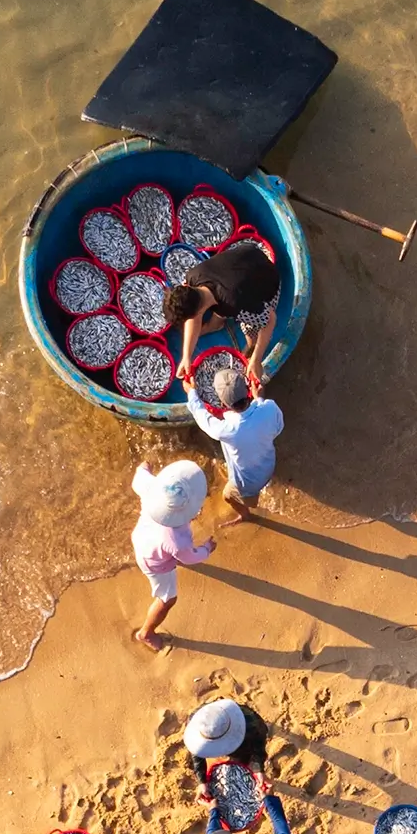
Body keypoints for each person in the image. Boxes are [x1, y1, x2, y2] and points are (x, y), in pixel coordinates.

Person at [164, 238, 280, 392]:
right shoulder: (193, 276)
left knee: (250, 327)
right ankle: (216, 324)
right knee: (221, 305)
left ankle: (251, 347)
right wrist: (186, 357)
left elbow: (270, 319)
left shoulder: (234, 303)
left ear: (197, 313)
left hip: (268, 280)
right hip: (248, 254)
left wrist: (257, 359)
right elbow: (195, 316)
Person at [184, 360, 283, 525]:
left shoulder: (227, 430)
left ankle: (246, 514)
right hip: (269, 465)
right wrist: (259, 399)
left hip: (249, 482)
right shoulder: (269, 408)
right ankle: (254, 499)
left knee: (228, 496)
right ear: (247, 391)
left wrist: (191, 393)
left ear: (223, 404)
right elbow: (278, 427)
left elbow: (203, 417)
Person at [131, 459, 213, 653]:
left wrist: (145, 466)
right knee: (167, 599)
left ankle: (147, 631)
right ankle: (146, 633)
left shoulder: (152, 488)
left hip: (142, 538)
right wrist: (206, 549)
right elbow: (189, 557)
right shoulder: (177, 541)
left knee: (168, 553)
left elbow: (138, 477)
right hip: (155, 563)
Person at [184, 697, 270, 799]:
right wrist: (202, 781)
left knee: (243, 756)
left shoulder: (252, 725)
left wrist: (258, 769)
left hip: (247, 732)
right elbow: (197, 751)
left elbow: (259, 746)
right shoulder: (199, 721)